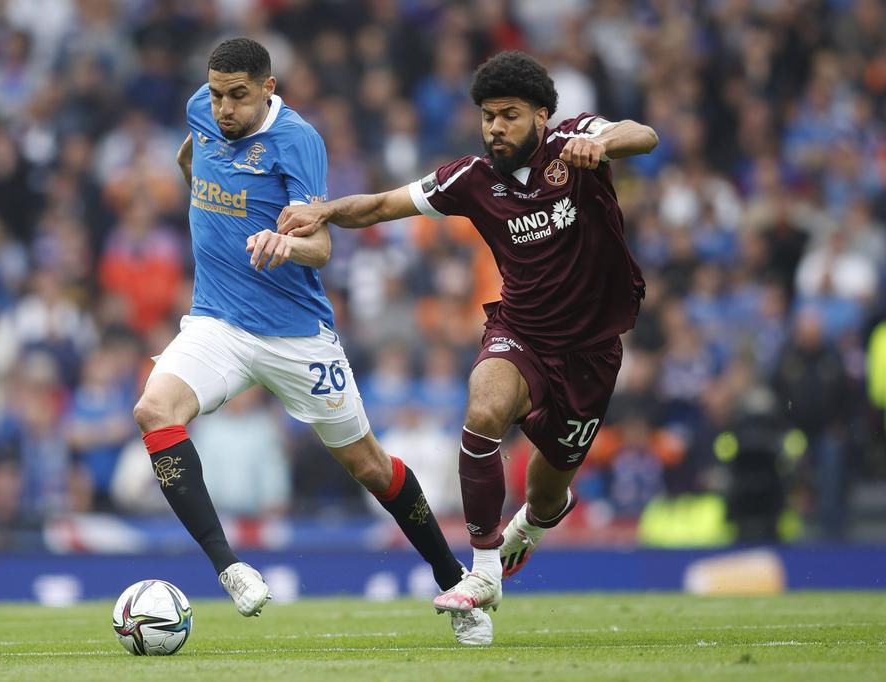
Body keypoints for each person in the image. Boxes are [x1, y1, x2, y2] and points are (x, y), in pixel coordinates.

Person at [269, 51, 658, 615]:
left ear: (543, 116)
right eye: (488, 115)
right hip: (521, 332)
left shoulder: (575, 140)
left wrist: (603, 145)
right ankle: (482, 570)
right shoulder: (470, 179)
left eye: (510, 115)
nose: (496, 127)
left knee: (548, 496)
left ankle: (533, 523)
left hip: (591, 353)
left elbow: (641, 134)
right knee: (481, 412)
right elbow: (382, 205)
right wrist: (325, 212)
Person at [132, 38, 492, 646]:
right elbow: (193, 154)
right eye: (217, 93)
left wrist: (284, 244)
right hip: (217, 322)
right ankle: (230, 567)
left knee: (371, 467)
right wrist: (196, 179)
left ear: (268, 88)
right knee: (153, 410)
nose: (223, 107)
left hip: (297, 336)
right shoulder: (203, 107)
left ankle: (455, 579)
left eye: (238, 96)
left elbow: (321, 246)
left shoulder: (298, 141)